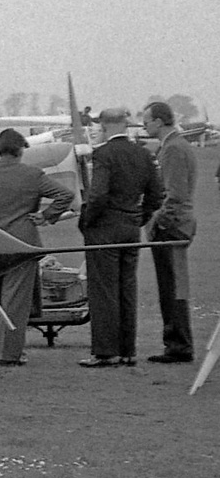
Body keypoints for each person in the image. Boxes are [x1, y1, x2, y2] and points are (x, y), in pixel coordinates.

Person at [0, 128, 74, 365]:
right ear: (21, 149)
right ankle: (10, 354)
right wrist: (46, 215)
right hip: (21, 245)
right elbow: (65, 195)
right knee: (14, 302)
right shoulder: (33, 175)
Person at [77, 108, 163, 367]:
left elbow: (99, 194)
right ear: (125, 125)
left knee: (103, 291)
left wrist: (88, 220)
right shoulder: (143, 153)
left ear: (104, 126)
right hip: (130, 227)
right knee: (127, 289)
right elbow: (156, 194)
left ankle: (105, 351)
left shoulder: (103, 154)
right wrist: (139, 217)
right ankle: (127, 350)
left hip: (105, 229)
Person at [141, 101, 197, 362]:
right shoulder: (177, 146)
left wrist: (155, 221)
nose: (144, 125)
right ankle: (178, 341)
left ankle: (178, 344)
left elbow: (174, 195)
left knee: (173, 287)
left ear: (160, 121)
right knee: (175, 286)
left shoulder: (173, 149)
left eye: (147, 121)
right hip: (178, 224)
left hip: (172, 227)